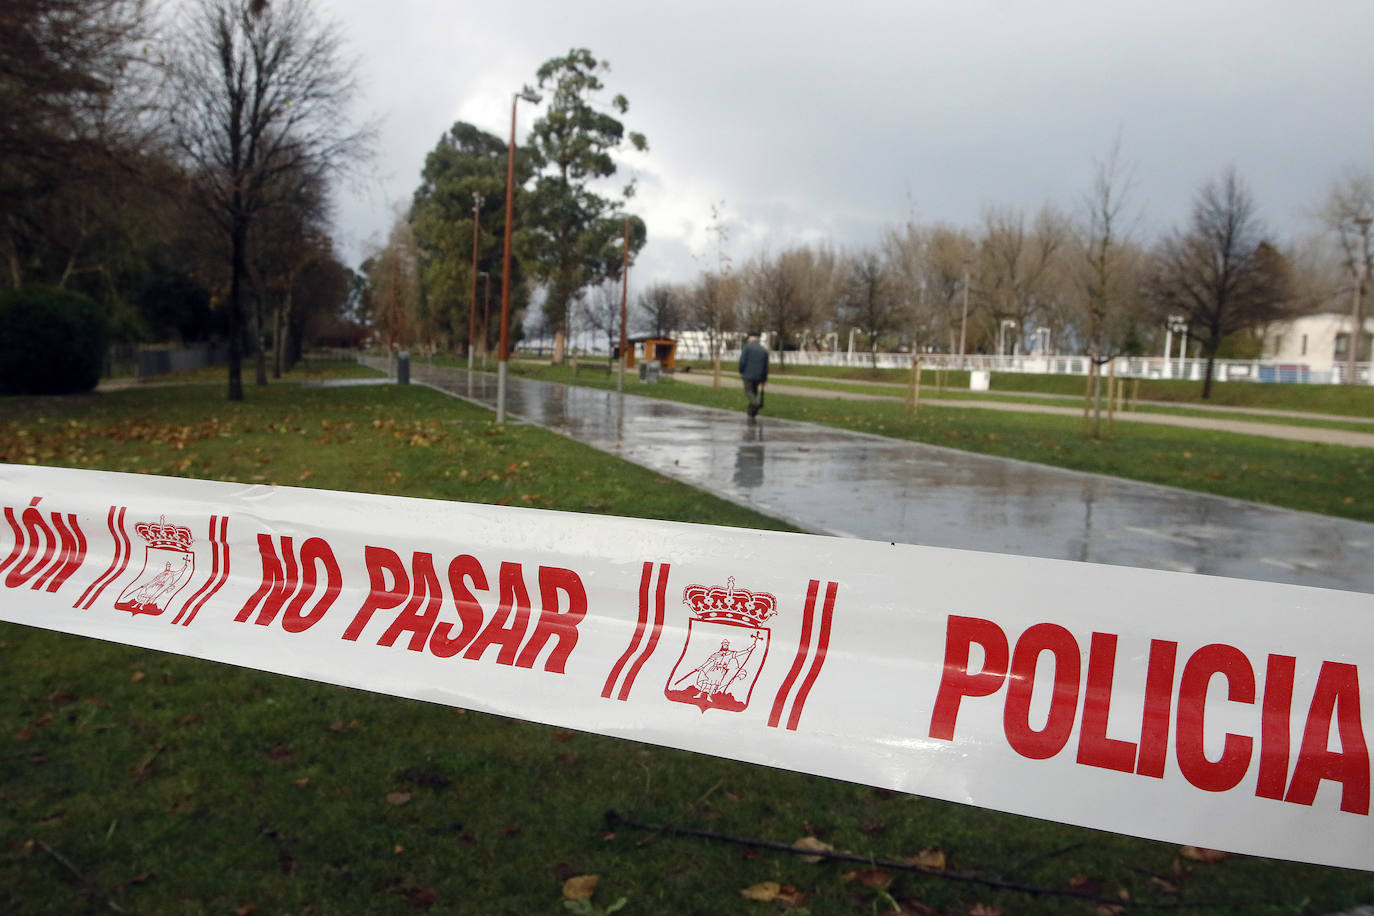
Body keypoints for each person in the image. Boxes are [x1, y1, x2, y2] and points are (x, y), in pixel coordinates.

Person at [738, 331, 769, 418]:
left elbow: (743, 361)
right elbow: (765, 366)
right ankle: (752, 412)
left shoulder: (747, 347)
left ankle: (756, 403)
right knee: (754, 392)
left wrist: (741, 370)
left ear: (751, 338)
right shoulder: (763, 350)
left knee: (748, 391)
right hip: (759, 376)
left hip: (748, 374)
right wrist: (764, 379)